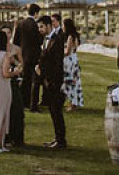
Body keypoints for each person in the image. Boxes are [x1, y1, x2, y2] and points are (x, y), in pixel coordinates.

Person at [37, 14, 67, 149]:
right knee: (53, 111)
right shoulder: (45, 39)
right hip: (48, 80)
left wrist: (46, 74)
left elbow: (57, 63)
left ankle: (61, 140)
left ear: (49, 26)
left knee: (56, 111)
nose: (40, 30)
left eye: (41, 27)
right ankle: (57, 138)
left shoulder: (57, 40)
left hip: (54, 80)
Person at [13, 4, 43, 113]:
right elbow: (39, 40)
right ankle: (32, 104)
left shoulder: (21, 23)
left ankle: (23, 102)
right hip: (34, 55)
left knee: (25, 79)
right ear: (36, 13)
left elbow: (16, 41)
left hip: (23, 55)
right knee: (34, 81)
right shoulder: (35, 25)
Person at [3, 25, 26, 148]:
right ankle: (5, 136)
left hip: (14, 79)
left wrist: (15, 63)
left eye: (8, 32)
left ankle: (17, 137)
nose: (7, 35)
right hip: (3, 80)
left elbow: (22, 64)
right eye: (4, 33)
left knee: (17, 107)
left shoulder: (16, 48)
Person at [62, 18, 83, 111]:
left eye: (63, 25)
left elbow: (67, 51)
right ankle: (74, 102)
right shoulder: (75, 36)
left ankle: (72, 104)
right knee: (74, 81)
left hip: (69, 61)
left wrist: (58, 53)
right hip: (74, 59)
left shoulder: (70, 37)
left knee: (69, 82)